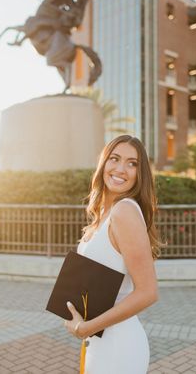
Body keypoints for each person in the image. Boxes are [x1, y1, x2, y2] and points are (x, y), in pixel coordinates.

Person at [64, 134, 161, 373]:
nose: (121, 169)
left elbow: (148, 292)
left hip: (118, 344)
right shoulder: (106, 214)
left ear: (140, 174)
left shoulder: (124, 212)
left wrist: (85, 328)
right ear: (103, 163)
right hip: (98, 340)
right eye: (115, 159)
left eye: (132, 163)